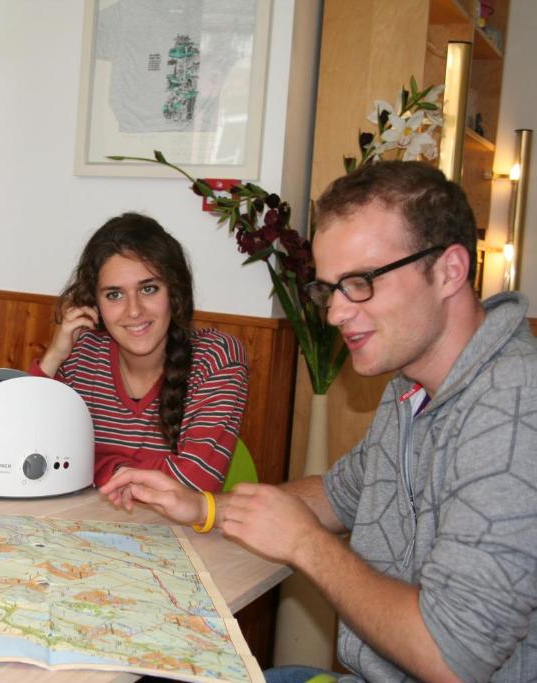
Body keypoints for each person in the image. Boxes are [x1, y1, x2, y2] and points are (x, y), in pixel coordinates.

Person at [102, 161, 537, 682]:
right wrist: (204, 506)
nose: (334, 314)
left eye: (360, 282)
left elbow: (452, 658)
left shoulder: (514, 410)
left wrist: (307, 545)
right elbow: (336, 493)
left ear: (449, 270)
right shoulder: (412, 387)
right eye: (329, 289)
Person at [30, 212, 248, 490]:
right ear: (94, 303)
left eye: (148, 289)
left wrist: (95, 466)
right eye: (114, 295)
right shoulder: (82, 354)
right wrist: (54, 357)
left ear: (174, 292)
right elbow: (22, 454)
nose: (134, 310)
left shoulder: (217, 358)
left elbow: (194, 482)